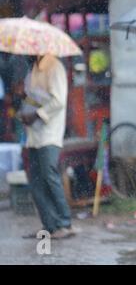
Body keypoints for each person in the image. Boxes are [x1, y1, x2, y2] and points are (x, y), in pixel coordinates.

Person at [21, 54, 78, 239]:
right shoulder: (34, 68)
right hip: (34, 133)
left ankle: (64, 223)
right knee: (36, 179)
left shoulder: (54, 67)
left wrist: (37, 114)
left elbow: (59, 100)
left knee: (49, 176)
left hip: (49, 132)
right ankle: (49, 224)